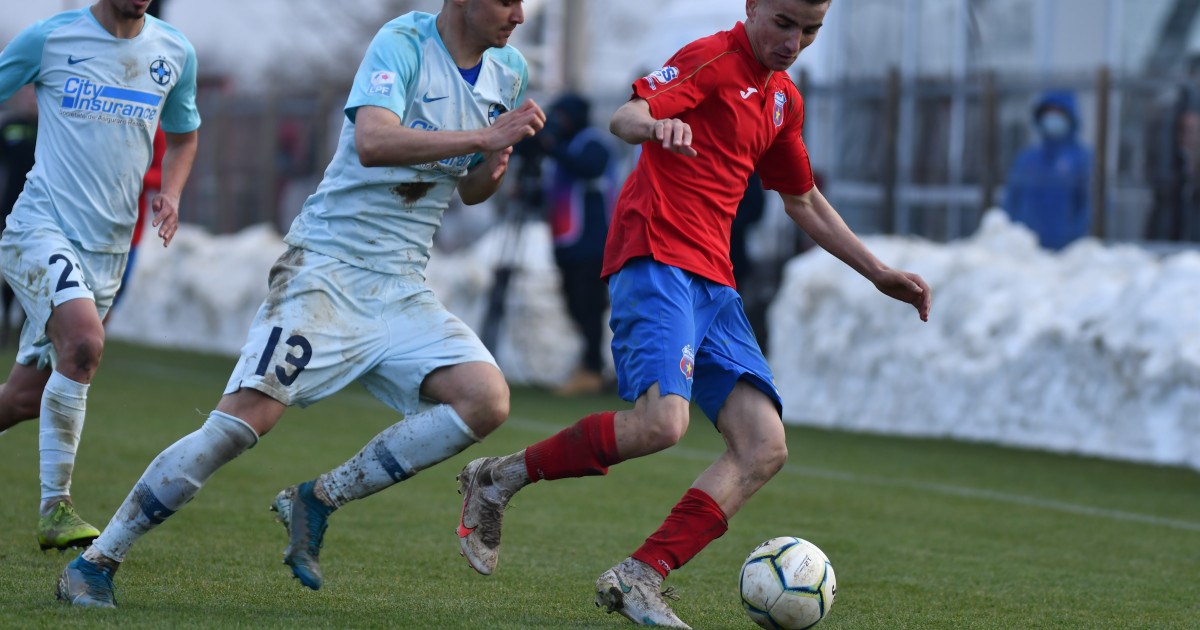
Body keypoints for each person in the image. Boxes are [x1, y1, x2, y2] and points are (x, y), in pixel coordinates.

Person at [455, 1, 931, 627]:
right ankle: (498, 479)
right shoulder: (709, 58)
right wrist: (657, 126)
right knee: (661, 424)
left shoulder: (783, 99)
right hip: (655, 255)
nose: (795, 42)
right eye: (783, 23)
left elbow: (803, 199)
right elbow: (626, 118)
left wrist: (879, 273)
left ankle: (639, 577)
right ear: (753, 7)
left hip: (714, 282)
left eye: (811, 30)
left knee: (763, 447)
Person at [55, 0, 544, 609]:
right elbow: (372, 140)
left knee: (486, 399)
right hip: (327, 272)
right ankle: (96, 560)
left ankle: (316, 498)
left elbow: (471, 189)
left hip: (401, 284)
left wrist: (492, 163)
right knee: (238, 428)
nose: (519, 14)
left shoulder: (508, 71)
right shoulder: (405, 43)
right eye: (507, 0)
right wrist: (484, 136)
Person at [0, 0, 200, 552]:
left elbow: (184, 136)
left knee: (21, 399)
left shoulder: (174, 51)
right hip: (39, 229)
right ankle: (55, 508)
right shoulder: (50, 38)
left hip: (108, 250)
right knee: (85, 344)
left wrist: (173, 194)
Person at [540, 93, 618, 395]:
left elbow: (589, 167)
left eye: (563, 116)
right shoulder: (564, 148)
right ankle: (590, 362)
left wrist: (552, 148)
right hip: (567, 242)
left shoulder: (592, 142)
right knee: (574, 303)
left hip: (592, 241)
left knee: (588, 305)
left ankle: (593, 369)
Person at [1003, 90, 1092, 250]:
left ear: (1070, 116)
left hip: (1070, 258)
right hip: (1026, 254)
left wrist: (1074, 241)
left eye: (1058, 113)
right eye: (1048, 113)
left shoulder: (1083, 160)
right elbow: (1010, 203)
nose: (1052, 118)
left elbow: (1091, 208)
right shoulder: (1026, 159)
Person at [0, 85, 38, 347]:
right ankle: (4, 325)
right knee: (6, 272)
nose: (31, 99)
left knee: (34, 273)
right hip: (9, 210)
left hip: (41, 214)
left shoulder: (54, 129)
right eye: (28, 93)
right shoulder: (10, 126)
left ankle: (27, 330)